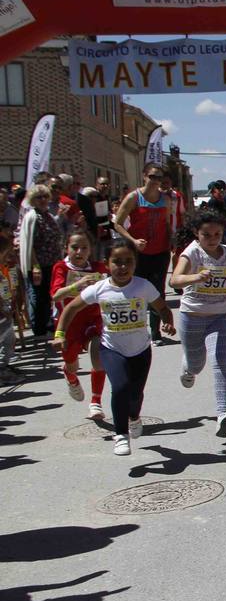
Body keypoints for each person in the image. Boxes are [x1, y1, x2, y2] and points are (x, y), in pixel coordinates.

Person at [53, 239, 176, 455]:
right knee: (119, 388)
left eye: (128, 262)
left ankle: (134, 417)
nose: (122, 267)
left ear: (135, 263)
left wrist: (167, 321)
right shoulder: (99, 289)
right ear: (106, 264)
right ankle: (121, 435)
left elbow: (162, 307)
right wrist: (60, 334)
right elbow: (71, 309)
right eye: (117, 262)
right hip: (111, 348)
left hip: (140, 350)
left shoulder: (143, 286)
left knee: (135, 395)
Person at [170, 211, 226, 437]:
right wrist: (195, 278)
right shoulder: (192, 252)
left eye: (217, 234)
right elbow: (175, 280)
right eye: (206, 234)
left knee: (220, 361)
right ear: (196, 234)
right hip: (193, 314)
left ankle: (223, 414)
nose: (212, 238)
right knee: (196, 363)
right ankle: (187, 368)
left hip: (219, 315)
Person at [112, 165, 176, 345]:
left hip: (160, 251)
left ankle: (156, 332)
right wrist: (132, 240)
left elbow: (167, 222)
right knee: (136, 291)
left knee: (157, 291)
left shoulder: (166, 199)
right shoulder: (133, 197)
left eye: (159, 177)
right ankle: (136, 330)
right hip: (138, 253)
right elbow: (117, 223)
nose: (156, 181)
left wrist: (172, 238)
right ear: (144, 176)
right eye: (153, 176)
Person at [50, 229, 108, 415]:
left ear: (90, 250)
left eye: (84, 248)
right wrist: (77, 285)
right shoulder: (61, 268)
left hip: (92, 319)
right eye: (75, 247)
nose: (79, 252)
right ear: (66, 248)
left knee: (98, 354)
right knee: (72, 364)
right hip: (69, 323)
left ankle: (96, 402)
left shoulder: (98, 268)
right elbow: (55, 295)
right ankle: (70, 375)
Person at [18, 184, 64, 340]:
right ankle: (39, 329)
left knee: (49, 296)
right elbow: (29, 244)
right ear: (33, 200)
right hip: (39, 264)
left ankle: (48, 323)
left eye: (45, 196)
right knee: (38, 297)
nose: (43, 200)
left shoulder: (48, 215)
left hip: (53, 263)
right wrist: (35, 266)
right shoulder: (31, 217)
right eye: (39, 197)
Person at [0, 233, 18, 383]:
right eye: (6, 253)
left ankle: (3, 365)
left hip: (5, 308)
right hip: (1, 311)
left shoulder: (3, 267)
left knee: (10, 337)